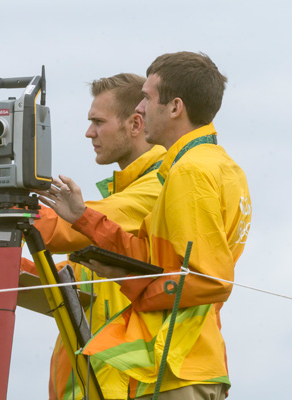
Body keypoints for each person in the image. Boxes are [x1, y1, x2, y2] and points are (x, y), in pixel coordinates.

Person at [0, 73, 166, 399]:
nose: (89, 133)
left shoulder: (157, 186)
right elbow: (84, 281)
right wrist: (12, 273)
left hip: (118, 385)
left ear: (135, 124)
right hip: (92, 381)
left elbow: (71, 229)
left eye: (98, 122)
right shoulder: (123, 192)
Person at [39, 52, 251, 400]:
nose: (139, 108)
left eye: (147, 98)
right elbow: (161, 258)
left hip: (172, 367)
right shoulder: (217, 166)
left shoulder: (191, 172)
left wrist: (135, 284)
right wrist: (84, 219)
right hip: (180, 366)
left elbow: (207, 279)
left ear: (175, 107)